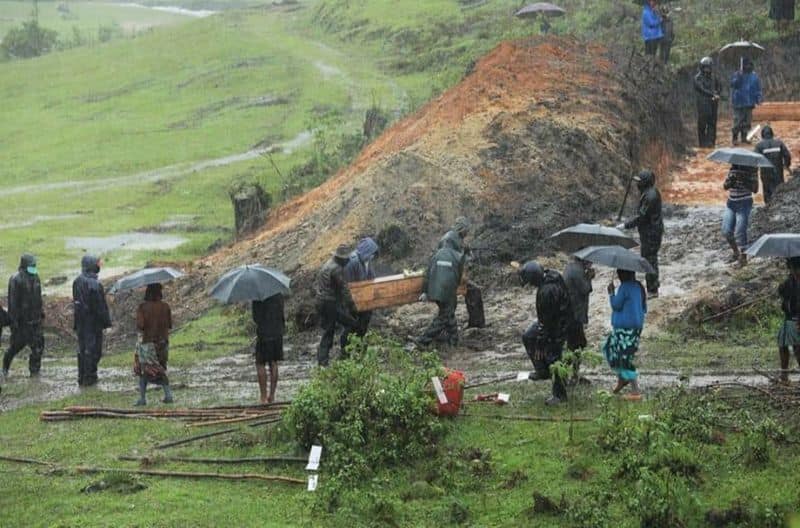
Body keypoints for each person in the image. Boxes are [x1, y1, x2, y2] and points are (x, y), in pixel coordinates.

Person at [520, 261, 573, 405]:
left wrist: (541, 344)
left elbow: (547, 323)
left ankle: (560, 395)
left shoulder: (546, 292)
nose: (530, 285)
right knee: (528, 336)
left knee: (553, 357)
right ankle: (542, 371)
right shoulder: (552, 276)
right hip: (555, 320)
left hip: (558, 326)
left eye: (530, 282)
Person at [603, 270, 647, 400]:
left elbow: (616, 305)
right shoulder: (638, 286)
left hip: (624, 328)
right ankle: (622, 379)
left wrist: (611, 293)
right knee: (616, 350)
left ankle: (635, 391)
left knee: (621, 356)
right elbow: (643, 308)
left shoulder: (625, 287)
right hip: (634, 328)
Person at [620, 170, 664, 298]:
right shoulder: (648, 193)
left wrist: (625, 225)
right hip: (650, 232)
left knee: (649, 260)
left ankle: (652, 289)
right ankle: (653, 287)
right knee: (650, 259)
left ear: (645, 183)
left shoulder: (650, 196)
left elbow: (641, 217)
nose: (637, 184)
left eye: (639, 182)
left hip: (651, 233)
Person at [417, 236, 466, 347]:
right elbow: (459, 276)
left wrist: (424, 291)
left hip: (434, 291)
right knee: (444, 316)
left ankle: (454, 339)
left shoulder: (436, 255)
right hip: (448, 291)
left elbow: (427, 275)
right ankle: (423, 340)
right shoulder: (457, 256)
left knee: (448, 313)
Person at [315, 244, 358, 366]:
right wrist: (352, 307)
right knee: (351, 324)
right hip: (330, 303)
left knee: (328, 330)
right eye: (347, 259)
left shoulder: (328, 264)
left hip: (322, 302)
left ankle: (323, 360)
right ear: (342, 259)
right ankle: (344, 354)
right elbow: (344, 289)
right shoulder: (336, 269)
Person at [72, 255, 112, 387]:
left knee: (83, 349)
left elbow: (77, 304)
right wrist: (106, 321)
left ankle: (82, 376)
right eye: (98, 264)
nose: (99, 266)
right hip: (93, 323)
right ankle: (89, 377)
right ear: (92, 265)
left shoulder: (77, 281)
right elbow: (100, 307)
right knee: (94, 350)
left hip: (80, 323)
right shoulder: (95, 284)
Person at [3, 254, 45, 377]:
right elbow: (12, 302)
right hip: (22, 322)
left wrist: (41, 312)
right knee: (15, 347)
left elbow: (38, 297)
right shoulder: (15, 279)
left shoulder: (36, 277)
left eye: (34, 265)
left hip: (35, 320)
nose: (34, 267)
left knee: (38, 346)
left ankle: (34, 371)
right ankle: (5, 367)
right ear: (25, 265)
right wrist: (13, 322)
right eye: (31, 265)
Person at [134, 283, 173, 405]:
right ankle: (167, 395)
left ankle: (143, 398)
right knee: (160, 368)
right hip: (163, 344)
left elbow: (141, 325)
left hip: (148, 344)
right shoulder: (166, 306)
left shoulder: (143, 307)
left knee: (145, 370)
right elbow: (170, 325)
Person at [342, 237, 379, 351]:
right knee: (350, 327)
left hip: (363, 301)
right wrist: (352, 304)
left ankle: (359, 349)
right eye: (372, 254)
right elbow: (347, 285)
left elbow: (371, 278)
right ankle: (345, 353)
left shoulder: (366, 261)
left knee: (363, 325)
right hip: (353, 302)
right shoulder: (352, 261)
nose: (372, 257)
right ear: (366, 251)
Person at [721, 164, 758, 266]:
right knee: (726, 231)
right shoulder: (732, 169)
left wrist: (744, 180)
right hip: (731, 203)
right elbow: (725, 186)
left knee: (740, 231)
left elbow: (755, 189)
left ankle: (744, 257)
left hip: (744, 203)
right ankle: (735, 253)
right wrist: (731, 182)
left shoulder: (752, 170)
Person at [252, 293, 285, 403]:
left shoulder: (258, 296)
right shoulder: (279, 294)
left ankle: (263, 397)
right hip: (277, 332)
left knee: (260, 363)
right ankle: (272, 396)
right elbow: (282, 314)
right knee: (273, 363)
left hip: (264, 334)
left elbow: (256, 318)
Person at [754, 125, 792, 205]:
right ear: (772, 134)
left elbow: (755, 159)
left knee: (767, 191)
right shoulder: (779, 143)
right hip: (778, 172)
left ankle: (768, 208)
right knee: (779, 190)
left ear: (762, 135)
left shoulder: (759, 145)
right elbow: (787, 155)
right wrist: (786, 165)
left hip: (765, 173)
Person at [563, 256, 594, 352]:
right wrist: (589, 277)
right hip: (575, 311)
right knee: (578, 343)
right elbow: (586, 289)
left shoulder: (570, 267)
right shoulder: (578, 271)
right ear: (584, 260)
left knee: (574, 340)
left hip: (568, 308)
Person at [730, 57, 762, 145]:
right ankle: (735, 138)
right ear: (743, 65)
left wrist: (758, 98)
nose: (748, 66)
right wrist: (738, 78)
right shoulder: (737, 74)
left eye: (750, 65)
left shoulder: (754, 76)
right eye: (746, 65)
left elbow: (758, 88)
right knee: (737, 121)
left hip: (749, 102)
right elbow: (733, 85)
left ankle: (744, 137)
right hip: (739, 102)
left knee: (747, 121)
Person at [778, 257, 800, 383]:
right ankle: (784, 374)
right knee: (782, 346)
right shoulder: (789, 282)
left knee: (798, 349)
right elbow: (782, 292)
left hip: (797, 320)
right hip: (789, 319)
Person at [694, 56, 722, 148]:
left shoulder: (714, 77)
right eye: (705, 67)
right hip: (703, 104)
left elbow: (719, 86)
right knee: (702, 124)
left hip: (713, 104)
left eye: (708, 67)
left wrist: (717, 93)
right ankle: (702, 143)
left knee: (712, 123)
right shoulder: (698, 78)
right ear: (701, 67)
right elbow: (701, 89)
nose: (707, 70)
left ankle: (711, 142)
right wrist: (712, 94)